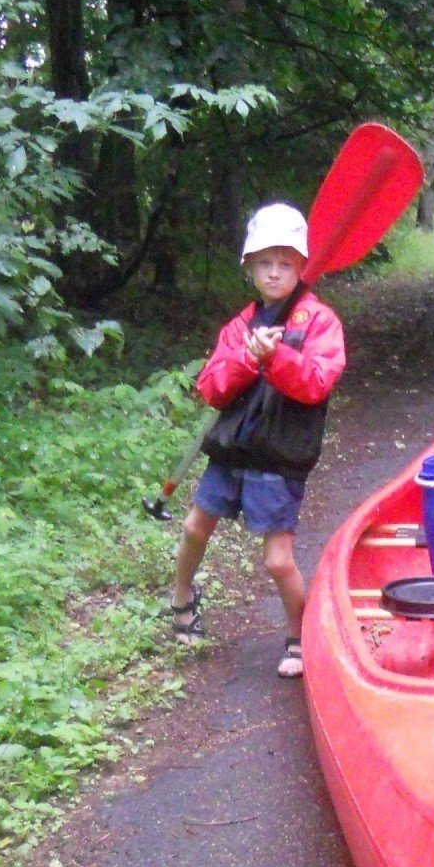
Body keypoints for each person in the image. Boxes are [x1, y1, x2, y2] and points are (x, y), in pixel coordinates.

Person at [169, 203, 346, 677]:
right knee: (193, 527)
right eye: (265, 263)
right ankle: (182, 599)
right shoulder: (241, 325)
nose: (274, 273)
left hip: (278, 458)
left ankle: (300, 635)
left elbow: (315, 384)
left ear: (302, 266)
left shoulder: (320, 322)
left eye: (286, 263)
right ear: (249, 267)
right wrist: (249, 359)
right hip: (231, 452)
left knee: (277, 559)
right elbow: (210, 388)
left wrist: (278, 358)